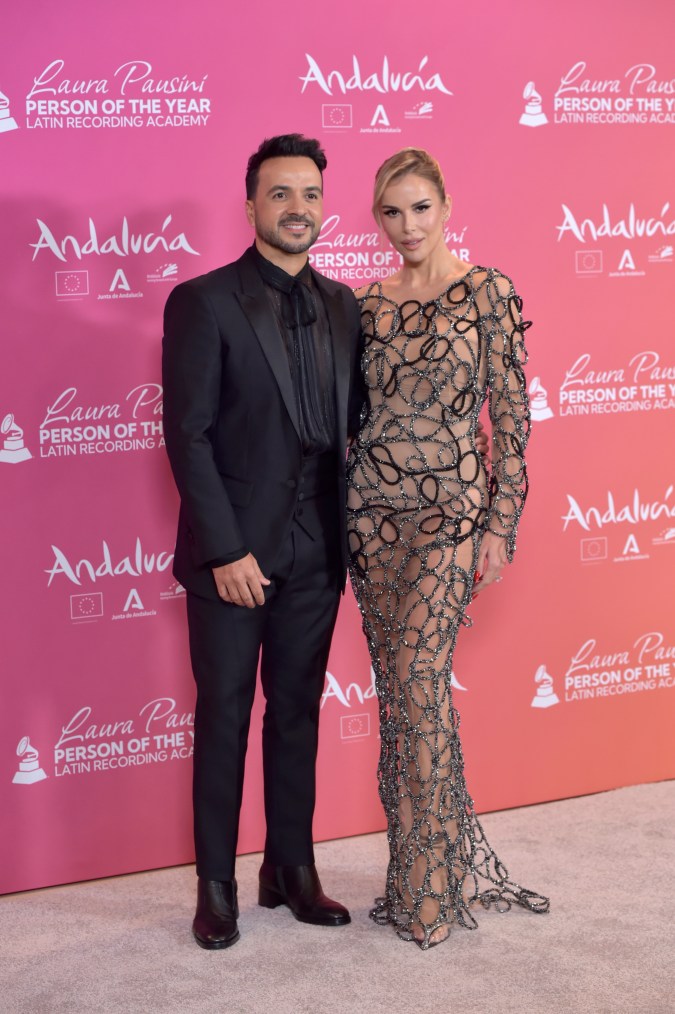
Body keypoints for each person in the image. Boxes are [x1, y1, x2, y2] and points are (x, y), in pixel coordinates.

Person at [162, 134, 365, 949]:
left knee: (297, 719)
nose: (297, 208)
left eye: (310, 194)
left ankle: (290, 869)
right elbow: (189, 435)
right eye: (280, 194)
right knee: (222, 718)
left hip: (318, 548)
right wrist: (223, 550)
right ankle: (215, 886)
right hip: (234, 556)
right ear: (250, 205)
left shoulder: (347, 304)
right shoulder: (203, 300)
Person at [346, 148, 550, 949]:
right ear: (375, 217)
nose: (407, 227)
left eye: (420, 208)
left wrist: (499, 524)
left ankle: (432, 890)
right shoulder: (364, 305)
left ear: (446, 205)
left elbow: (513, 419)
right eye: (391, 212)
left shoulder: (486, 293)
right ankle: (410, 876)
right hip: (371, 518)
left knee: (422, 682)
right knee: (397, 698)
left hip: (449, 519)